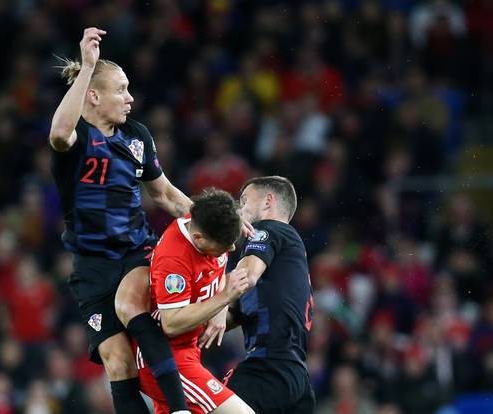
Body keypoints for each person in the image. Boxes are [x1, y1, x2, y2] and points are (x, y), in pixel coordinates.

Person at [48, 27, 194, 414]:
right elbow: (59, 134)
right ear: (93, 96)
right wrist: (88, 67)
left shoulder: (137, 136)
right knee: (117, 363)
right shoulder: (76, 134)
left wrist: (213, 222)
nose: (130, 98)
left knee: (133, 306)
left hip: (135, 250)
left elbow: (163, 194)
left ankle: (179, 410)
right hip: (91, 265)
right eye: (121, 89)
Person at [137, 189, 255, 414]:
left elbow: (218, 262)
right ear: (199, 237)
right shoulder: (174, 261)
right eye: (224, 246)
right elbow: (170, 323)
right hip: (164, 356)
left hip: (189, 351)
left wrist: (219, 308)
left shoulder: (211, 222)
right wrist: (223, 299)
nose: (230, 249)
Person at [224, 176, 316, 413]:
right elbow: (234, 314)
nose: (240, 209)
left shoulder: (268, 229)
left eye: (244, 201)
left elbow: (247, 276)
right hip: (296, 377)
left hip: (267, 369)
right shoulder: (288, 258)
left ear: (268, 202)